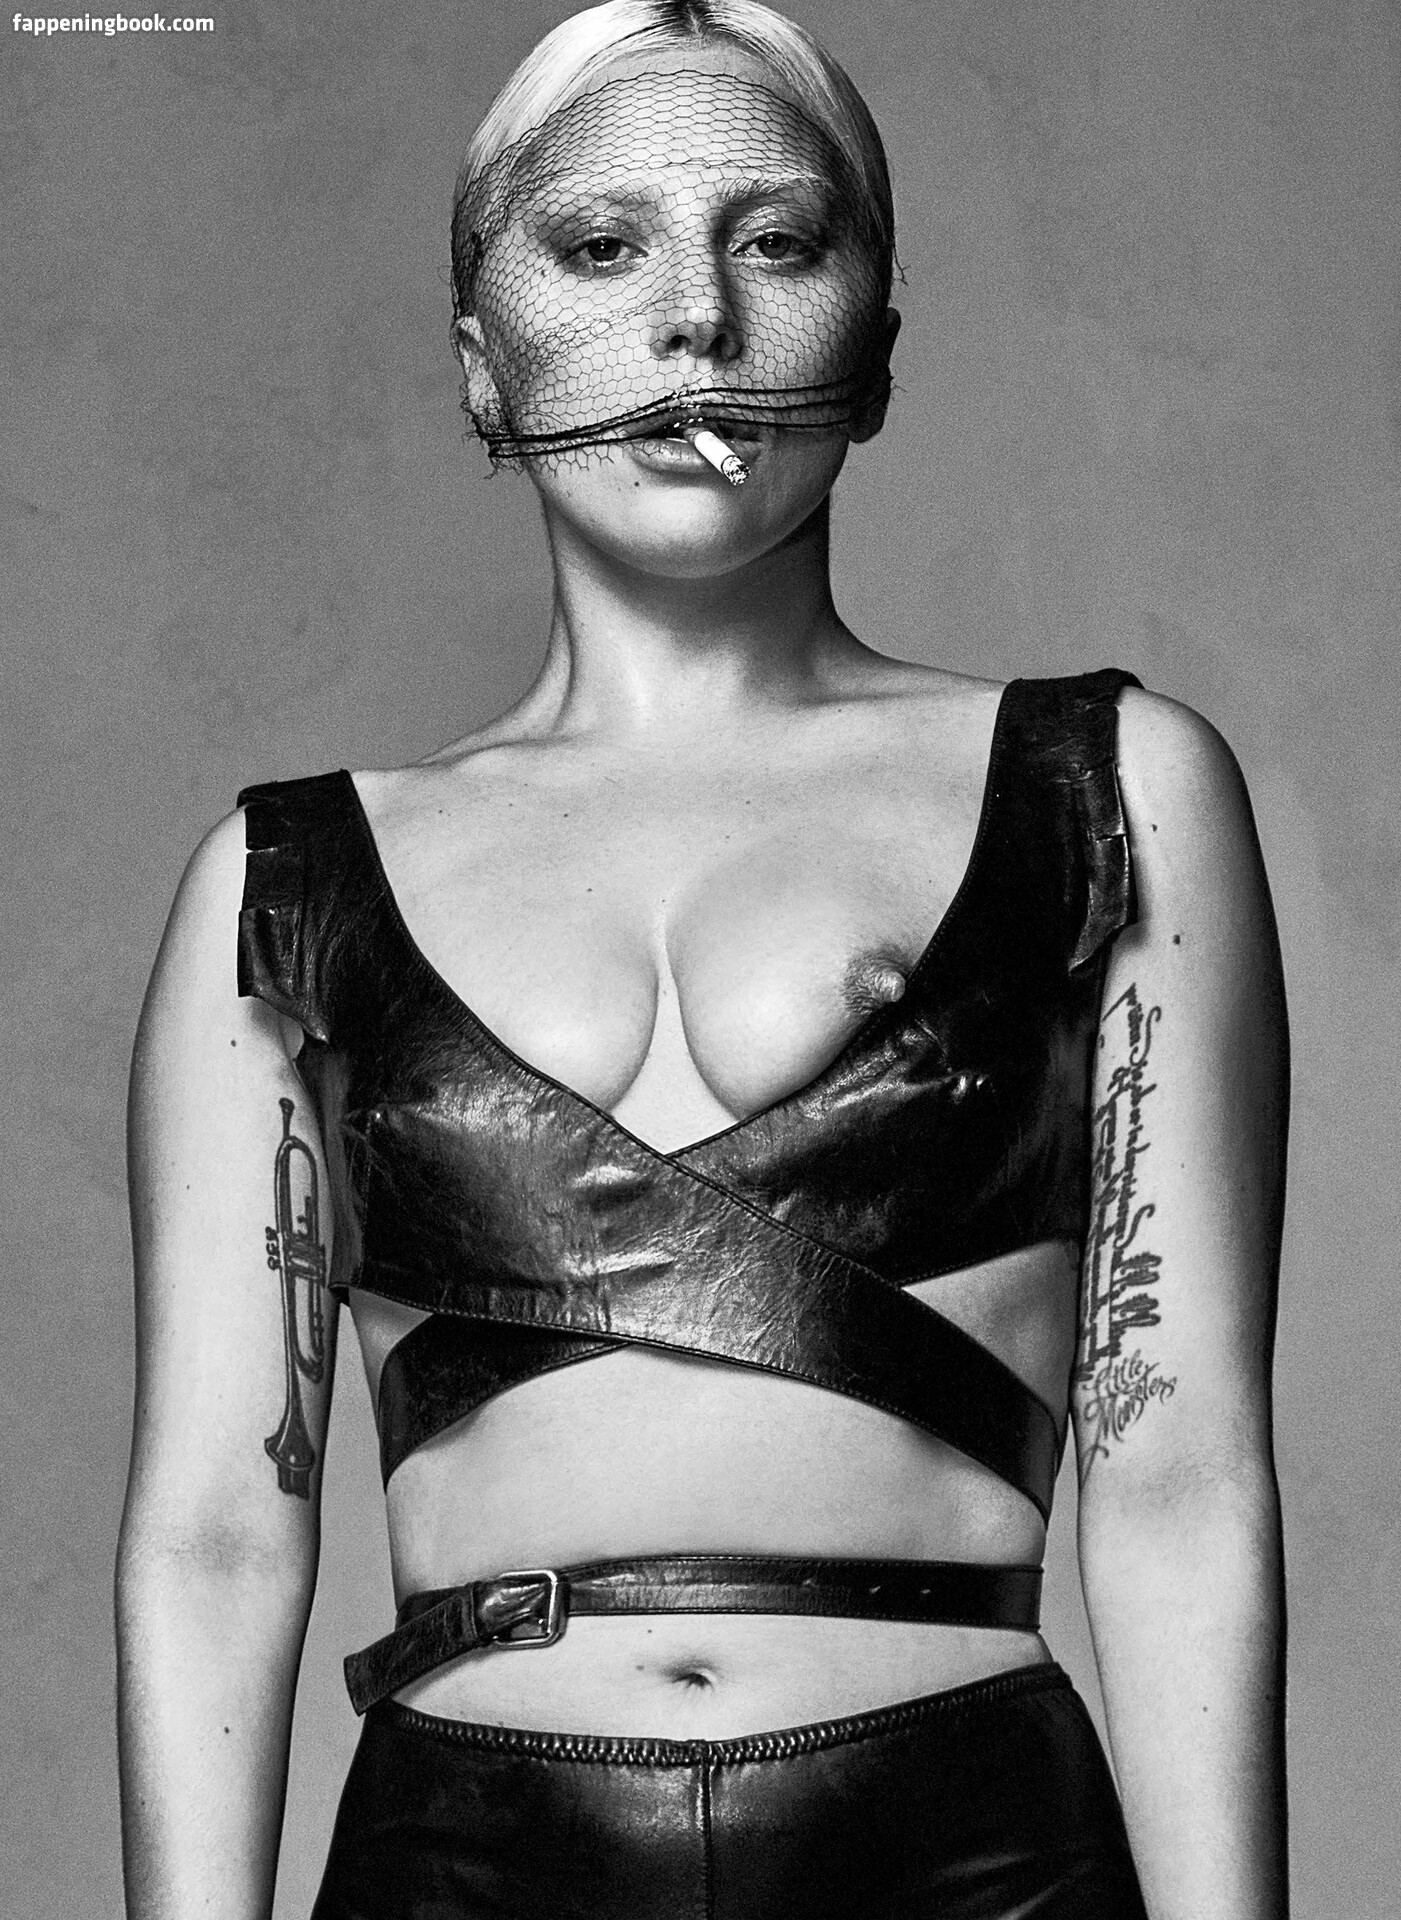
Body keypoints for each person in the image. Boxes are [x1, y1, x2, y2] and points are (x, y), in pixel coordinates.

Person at [115, 3, 1289, 1915]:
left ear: (875, 350)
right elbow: (214, 1533)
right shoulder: (286, 878)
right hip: (461, 1862)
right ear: (481, 362)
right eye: (600, 246)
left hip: (973, 1853)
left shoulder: (1112, 789)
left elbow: (1178, 1476)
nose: (695, 324)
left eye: (778, 241)